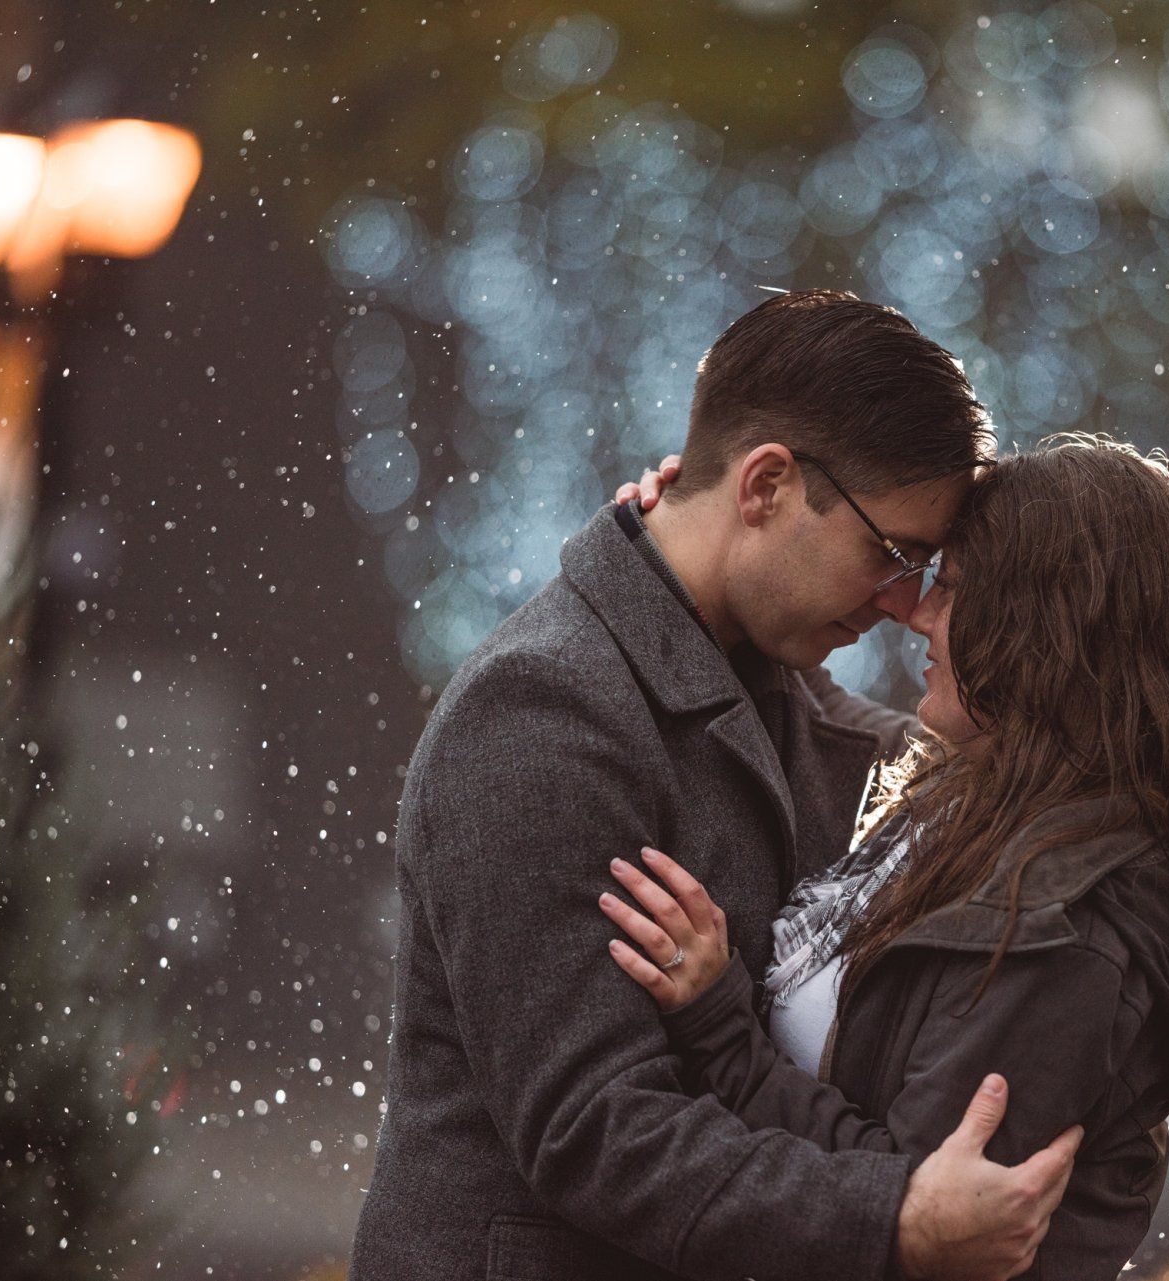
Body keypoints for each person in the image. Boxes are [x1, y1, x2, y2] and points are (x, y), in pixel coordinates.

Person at [348, 291, 1083, 1281]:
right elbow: (598, 1131)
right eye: (890, 554)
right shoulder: (539, 715)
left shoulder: (781, 695)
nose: (906, 606)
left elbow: (1004, 776)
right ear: (766, 487)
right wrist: (894, 1219)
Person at [598, 434, 1169, 1280]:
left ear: (1044, 627)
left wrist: (719, 1028)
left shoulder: (1064, 937)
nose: (919, 612)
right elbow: (797, 696)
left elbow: (913, 1211)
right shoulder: (971, 801)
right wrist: (696, 554)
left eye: (953, 588)